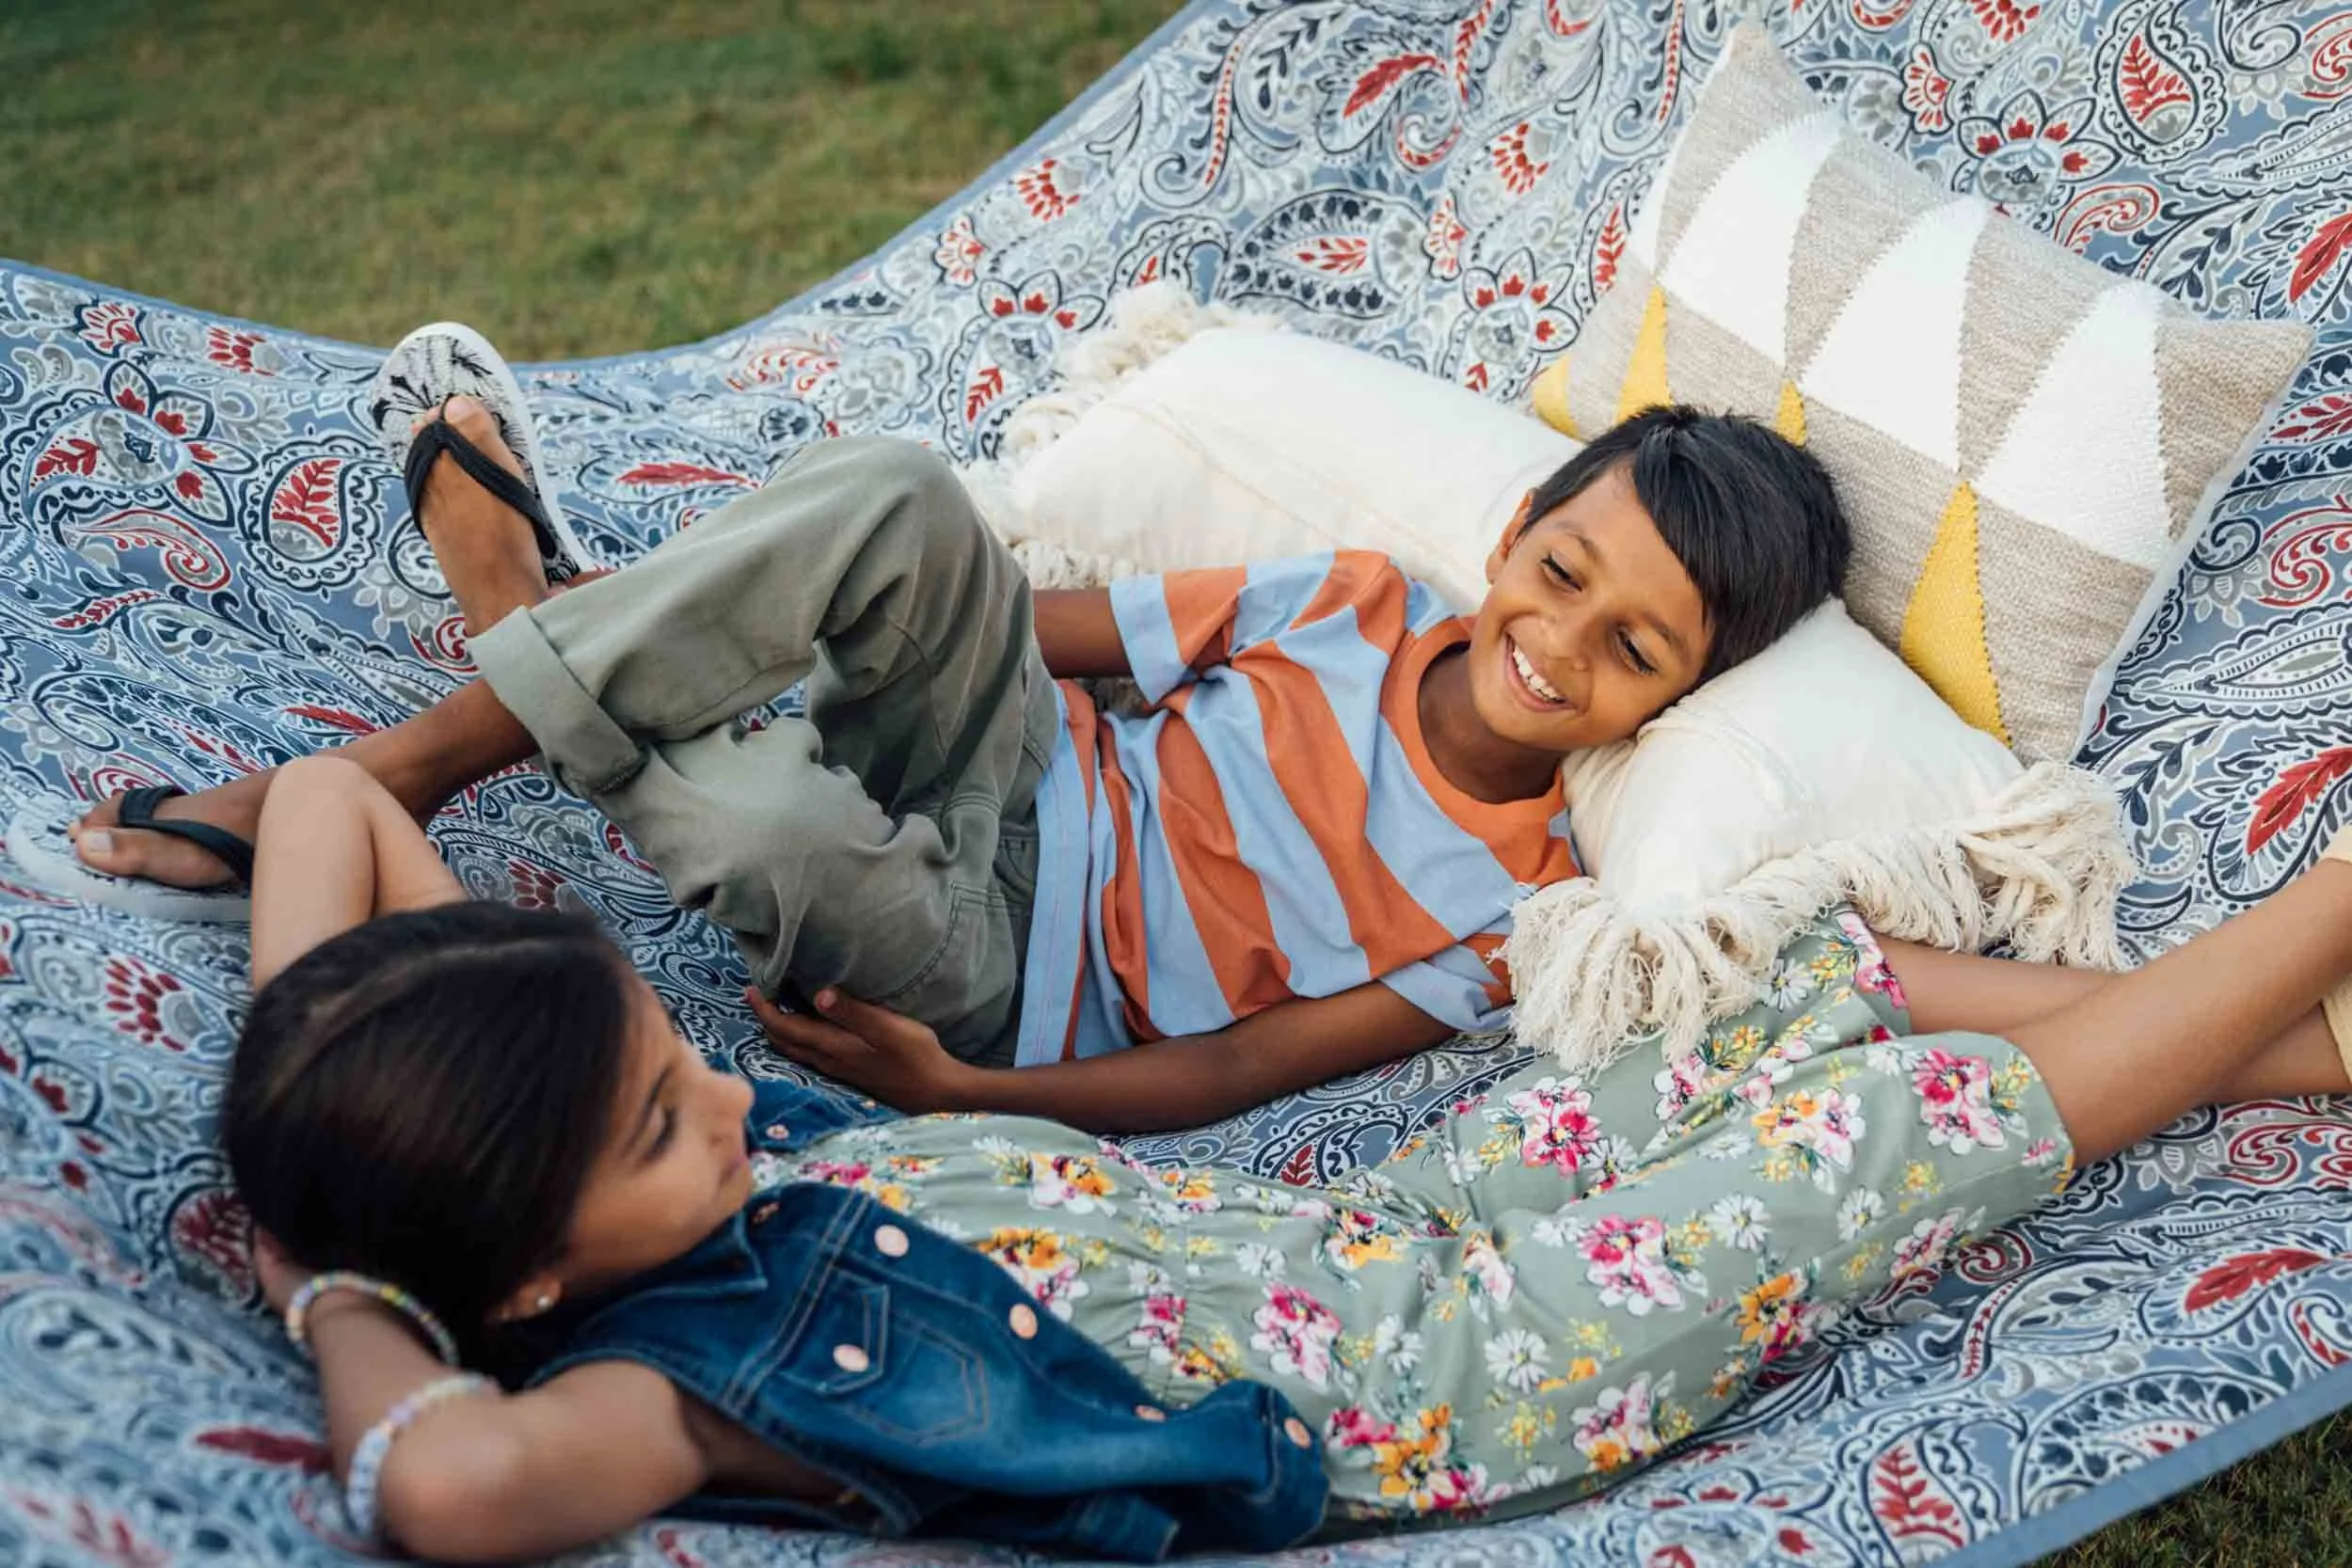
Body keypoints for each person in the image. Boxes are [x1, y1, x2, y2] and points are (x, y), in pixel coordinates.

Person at [230, 681, 2352, 1560]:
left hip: (1381, 1224)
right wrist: (338, 1282)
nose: (721, 1089)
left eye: (677, 1063)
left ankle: (2282, 1035)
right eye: (666, 1120)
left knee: (1796, 996)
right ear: (517, 1273)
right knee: (1902, 1122)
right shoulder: (662, 1377)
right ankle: (2311, 925)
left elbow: (333, 805)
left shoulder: (537, 1154)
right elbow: (448, 1484)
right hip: (1470, 1359)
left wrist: (310, 1112)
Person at [66, 338, 1849, 1131]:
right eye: (1560, 571)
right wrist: (815, 598)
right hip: (1008, 770)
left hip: (999, 966)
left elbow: (1229, 1074)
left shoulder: (1519, 904)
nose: (1561, 645)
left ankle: (519, 615)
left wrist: (972, 1093)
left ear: (1674, 700)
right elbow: (1007, 619)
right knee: (908, 496)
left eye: (1631, 652)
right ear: (1522, 520)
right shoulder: (1360, 601)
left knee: (775, 831)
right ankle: (421, 756)